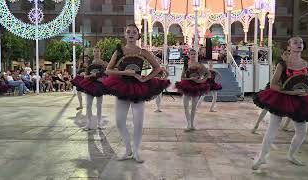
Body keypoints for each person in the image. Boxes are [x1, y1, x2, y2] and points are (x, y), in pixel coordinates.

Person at [102, 23, 170, 163]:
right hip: (121, 86)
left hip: (139, 88)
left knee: (138, 122)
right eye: (128, 32)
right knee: (119, 121)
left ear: (138, 35)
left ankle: (136, 151)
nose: (131, 34)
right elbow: (108, 70)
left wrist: (146, 79)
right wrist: (124, 72)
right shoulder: (119, 51)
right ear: (125, 35)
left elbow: (157, 68)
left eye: (134, 32)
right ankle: (127, 149)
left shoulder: (143, 52)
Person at [252, 37, 308, 170]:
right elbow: (273, 84)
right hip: (282, 98)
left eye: (301, 42)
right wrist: (290, 92)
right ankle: (262, 157)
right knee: (272, 128)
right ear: (289, 47)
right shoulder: (283, 64)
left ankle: (291, 155)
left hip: (302, 100)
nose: (299, 44)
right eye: (295, 42)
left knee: (302, 131)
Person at [252, 50, 292, 134]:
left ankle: (285, 126)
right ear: (282, 56)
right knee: (266, 107)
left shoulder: (293, 65)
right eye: (285, 54)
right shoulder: (280, 65)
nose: (287, 55)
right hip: (277, 88)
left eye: (289, 54)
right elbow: (275, 79)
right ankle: (256, 125)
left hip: (289, 89)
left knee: (293, 108)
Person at [175, 49, 211, 132]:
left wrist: (201, 80)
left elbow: (208, 74)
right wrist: (190, 78)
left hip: (196, 86)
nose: (193, 55)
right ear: (189, 55)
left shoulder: (199, 64)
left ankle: (192, 123)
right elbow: (182, 77)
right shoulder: (186, 64)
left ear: (197, 55)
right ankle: (188, 123)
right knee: (185, 106)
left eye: (194, 54)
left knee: (194, 107)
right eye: (191, 54)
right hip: (186, 85)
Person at [79, 48, 107, 131]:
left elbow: (106, 74)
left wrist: (102, 78)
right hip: (90, 85)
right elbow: (85, 76)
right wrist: (92, 76)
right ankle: (89, 123)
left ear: (100, 52)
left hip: (100, 86)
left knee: (99, 105)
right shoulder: (89, 63)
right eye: (95, 51)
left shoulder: (104, 63)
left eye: (98, 51)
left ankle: (99, 123)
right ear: (93, 52)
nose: (96, 53)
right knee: (88, 105)